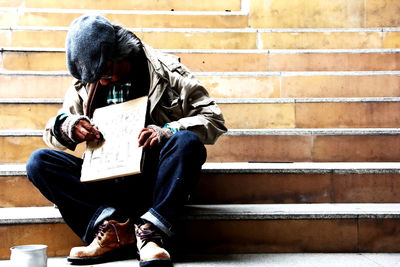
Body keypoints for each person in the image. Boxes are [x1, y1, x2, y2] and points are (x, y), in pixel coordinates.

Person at [26, 14, 227, 266]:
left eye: (107, 73)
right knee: (39, 162)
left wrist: (167, 130)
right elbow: (52, 134)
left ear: (122, 53)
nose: (102, 81)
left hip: (152, 181)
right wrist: (70, 127)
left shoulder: (165, 71)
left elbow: (213, 119)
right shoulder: (86, 83)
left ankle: (151, 234)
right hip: (104, 183)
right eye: (96, 78)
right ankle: (110, 231)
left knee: (186, 142)